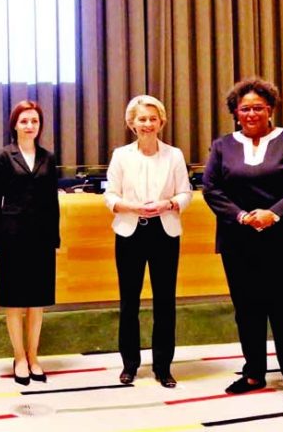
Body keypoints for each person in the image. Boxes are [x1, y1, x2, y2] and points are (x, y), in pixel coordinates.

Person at [202, 78, 283, 407]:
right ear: (235, 113)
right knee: (248, 309)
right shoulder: (222, 145)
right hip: (240, 240)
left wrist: (274, 213)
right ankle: (253, 372)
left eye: (258, 107)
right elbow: (212, 189)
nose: (251, 113)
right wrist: (241, 216)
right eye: (245, 108)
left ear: (270, 109)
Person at [104, 95, 192, 388]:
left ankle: (163, 366)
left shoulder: (174, 155)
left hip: (164, 232)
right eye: (142, 119)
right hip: (130, 232)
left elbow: (186, 194)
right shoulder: (121, 155)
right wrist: (130, 207)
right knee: (129, 302)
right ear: (132, 123)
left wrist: (168, 203)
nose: (147, 124)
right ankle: (129, 364)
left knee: (164, 302)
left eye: (152, 119)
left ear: (161, 122)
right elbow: (110, 196)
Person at [0, 100, 60, 385]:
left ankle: (34, 356)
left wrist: (55, 237)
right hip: (11, 235)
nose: (30, 126)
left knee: (37, 302)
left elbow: (52, 201)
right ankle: (18, 357)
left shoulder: (48, 157)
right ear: (15, 124)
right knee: (15, 301)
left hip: (41, 237)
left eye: (35, 121)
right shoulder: (3, 156)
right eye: (24, 121)